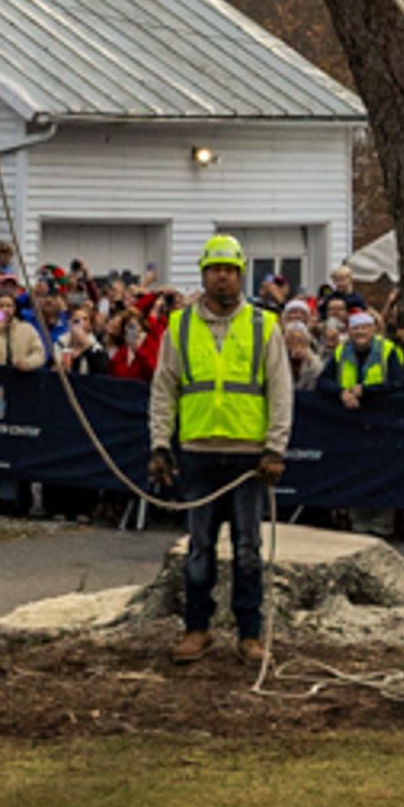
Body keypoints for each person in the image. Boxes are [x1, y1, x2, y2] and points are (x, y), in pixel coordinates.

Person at [149, 224, 291, 657]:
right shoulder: (180, 325)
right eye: (215, 270)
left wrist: (276, 447)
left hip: (249, 458)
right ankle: (197, 628)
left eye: (230, 270)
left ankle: (250, 633)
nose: (222, 277)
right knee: (200, 548)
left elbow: (280, 390)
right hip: (198, 453)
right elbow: (164, 388)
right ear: (204, 275)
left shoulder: (264, 326)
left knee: (249, 549)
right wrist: (159, 444)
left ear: (241, 274)